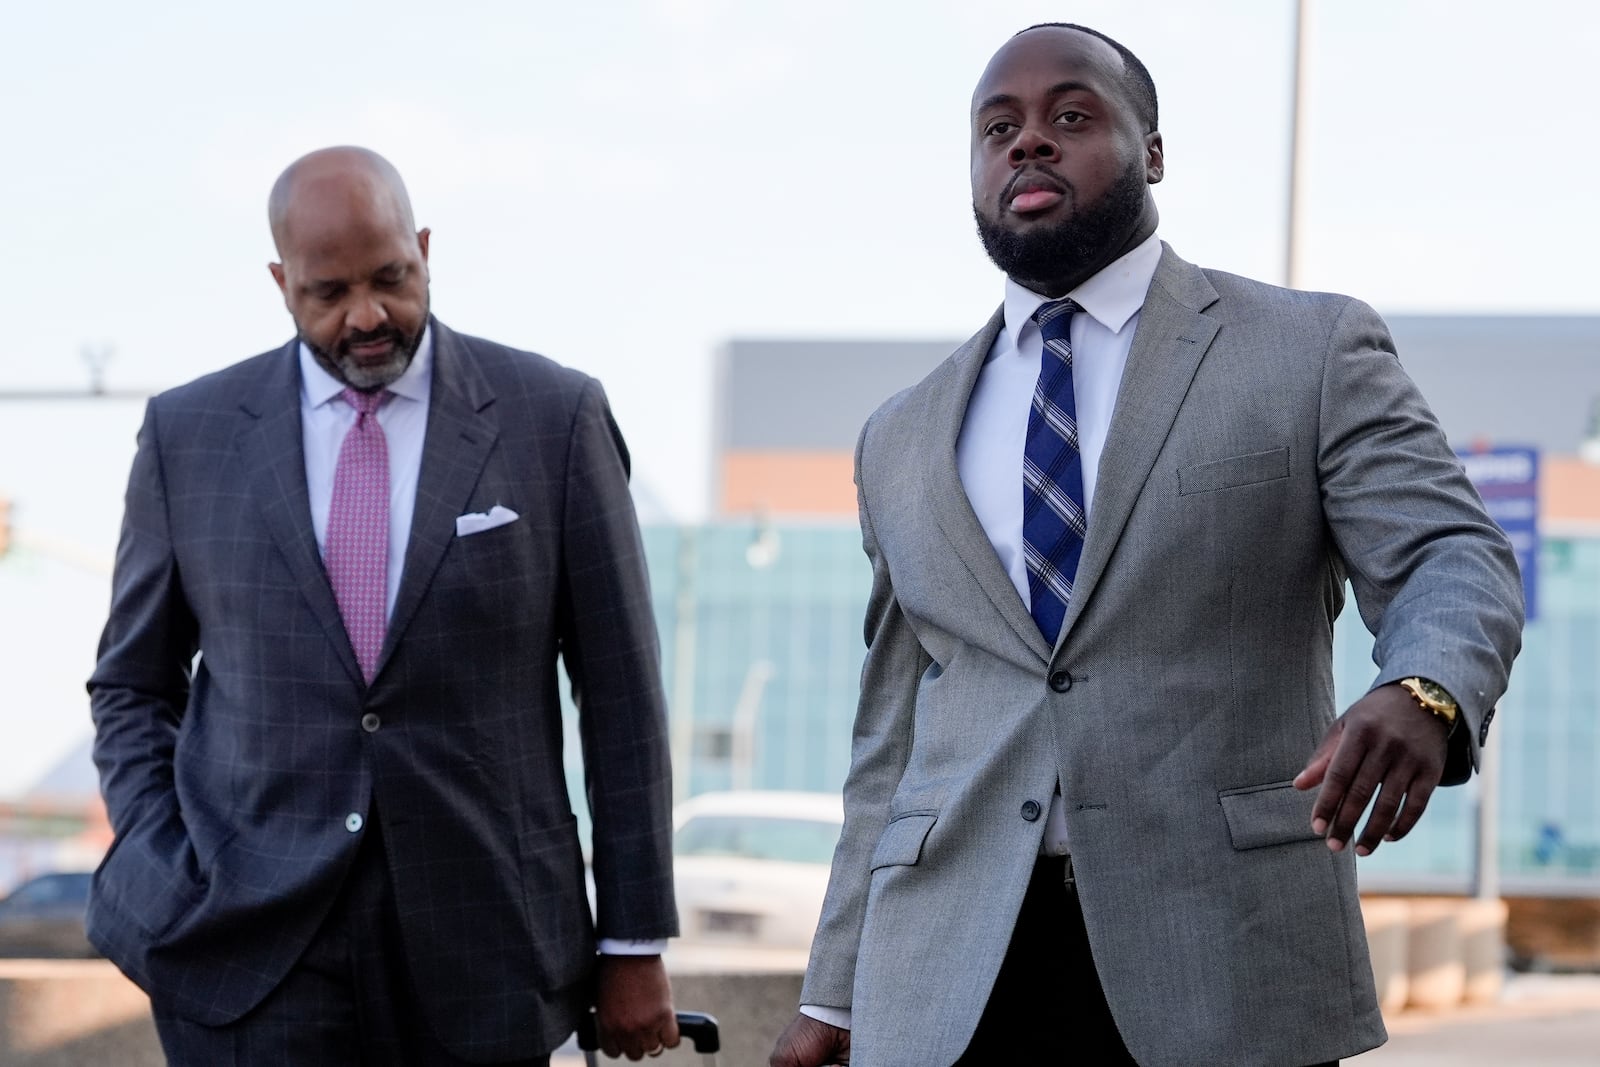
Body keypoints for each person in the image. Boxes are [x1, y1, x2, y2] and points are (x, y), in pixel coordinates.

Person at [770, 23, 1522, 1067]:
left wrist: (1425, 687)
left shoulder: (1309, 350)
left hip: (1225, 958)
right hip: (944, 978)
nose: (1027, 144)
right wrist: (835, 988)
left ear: (1153, 151)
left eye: (1069, 117)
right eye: (998, 130)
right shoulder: (899, 432)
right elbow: (894, 733)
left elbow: (1450, 550)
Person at [87, 146, 681, 1065]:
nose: (367, 316)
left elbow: (621, 696)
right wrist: (165, 859)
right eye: (328, 292)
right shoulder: (188, 435)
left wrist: (633, 941)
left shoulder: (551, 416)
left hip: (487, 947)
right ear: (281, 282)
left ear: (426, 248)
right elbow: (131, 683)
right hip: (246, 949)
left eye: (392, 278)